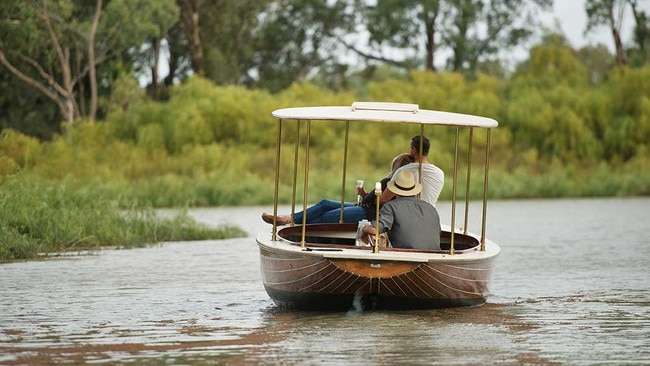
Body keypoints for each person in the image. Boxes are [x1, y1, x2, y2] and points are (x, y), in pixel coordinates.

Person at [262, 153, 414, 226]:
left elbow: (383, 201)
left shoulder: (399, 183)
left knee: (326, 216)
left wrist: (370, 198)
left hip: (367, 213)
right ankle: (290, 218)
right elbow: (379, 199)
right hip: (362, 206)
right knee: (325, 203)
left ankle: (288, 221)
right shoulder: (392, 181)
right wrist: (366, 194)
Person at [361, 169, 441, 250]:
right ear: (414, 190)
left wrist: (364, 229)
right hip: (435, 256)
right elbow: (437, 232)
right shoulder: (430, 208)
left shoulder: (390, 207)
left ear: (394, 191)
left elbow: (375, 230)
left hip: (407, 257)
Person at [381, 135, 444, 207]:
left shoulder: (403, 171)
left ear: (414, 150)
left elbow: (384, 199)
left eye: (410, 148)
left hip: (409, 216)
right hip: (430, 215)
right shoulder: (439, 173)